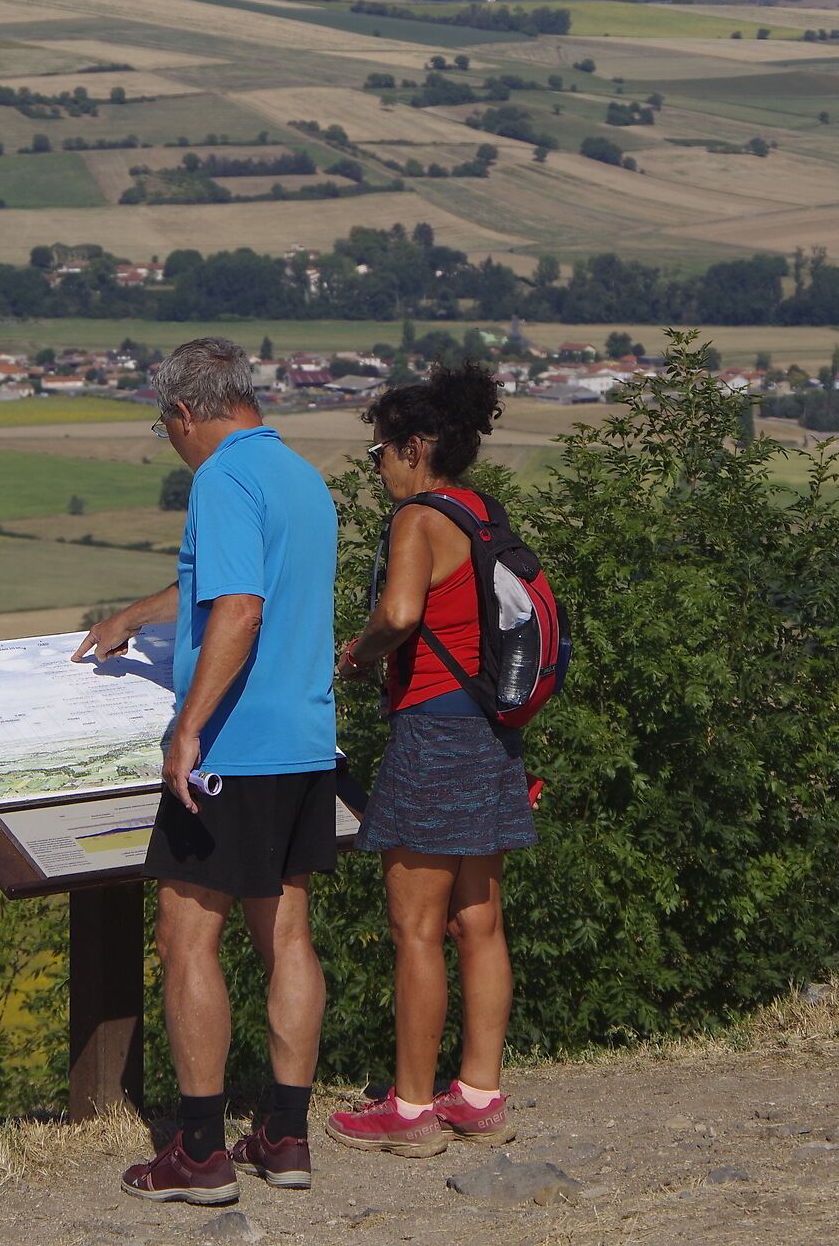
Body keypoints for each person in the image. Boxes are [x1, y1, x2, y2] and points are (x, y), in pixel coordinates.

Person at [75, 335, 339, 1204]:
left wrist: (188, 728)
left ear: (185, 412)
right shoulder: (300, 476)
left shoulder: (221, 478)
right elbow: (218, 587)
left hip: (235, 746)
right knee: (287, 936)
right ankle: (286, 1137)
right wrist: (135, 618)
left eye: (167, 427)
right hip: (304, 739)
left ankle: (197, 1152)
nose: (172, 441)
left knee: (186, 938)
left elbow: (238, 607)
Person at [326, 363, 533, 1157]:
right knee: (478, 920)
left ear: (415, 448)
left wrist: (362, 652)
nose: (377, 468)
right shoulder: (484, 512)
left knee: (414, 927)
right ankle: (478, 1094)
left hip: (433, 728)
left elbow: (404, 611)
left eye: (379, 452)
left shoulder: (418, 519)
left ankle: (409, 1108)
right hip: (490, 730)